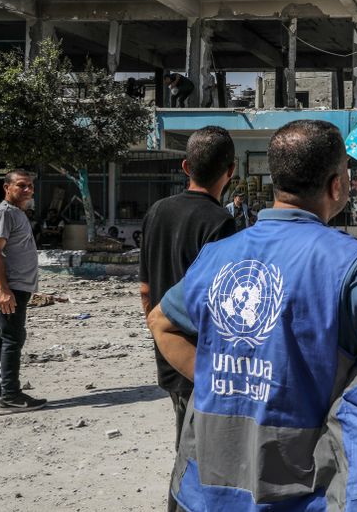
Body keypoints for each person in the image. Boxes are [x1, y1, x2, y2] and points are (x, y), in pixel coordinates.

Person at [147, 119, 357, 511]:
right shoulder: (351, 264)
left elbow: (160, 321)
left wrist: (221, 381)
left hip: (209, 491)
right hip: (309, 493)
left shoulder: (218, 256)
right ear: (336, 185)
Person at [139, 125, 237, 512]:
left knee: (187, 446)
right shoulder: (220, 223)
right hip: (203, 360)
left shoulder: (157, 211)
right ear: (230, 171)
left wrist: (161, 336)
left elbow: (145, 290)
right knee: (200, 456)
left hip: (168, 349)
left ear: (185, 166)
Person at [0, 170, 47, 415]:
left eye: (30, 185)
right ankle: (10, 396)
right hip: (10, 288)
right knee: (12, 340)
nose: (28, 190)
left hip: (13, 287)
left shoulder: (16, 213)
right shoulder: (4, 212)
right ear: (7, 187)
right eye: (21, 185)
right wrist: (3, 289)